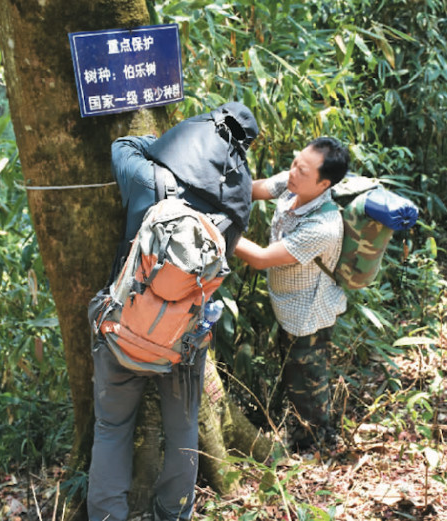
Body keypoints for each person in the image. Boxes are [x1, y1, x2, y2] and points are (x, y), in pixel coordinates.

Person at [87, 102, 258, 521]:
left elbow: (124, 144)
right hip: (183, 342)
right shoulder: (234, 210)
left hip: (122, 328)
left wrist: (164, 144)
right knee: (183, 430)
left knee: (111, 430)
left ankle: (108, 515)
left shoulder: (149, 179)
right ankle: (173, 512)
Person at [234, 137, 350, 449]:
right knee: (293, 375)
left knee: (308, 385)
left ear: (324, 183)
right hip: (288, 308)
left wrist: (213, 226)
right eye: (295, 163)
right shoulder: (294, 182)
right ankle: (303, 438)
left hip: (308, 317)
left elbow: (260, 258)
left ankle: (318, 447)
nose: (292, 172)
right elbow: (252, 189)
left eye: (303, 170)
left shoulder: (323, 226)